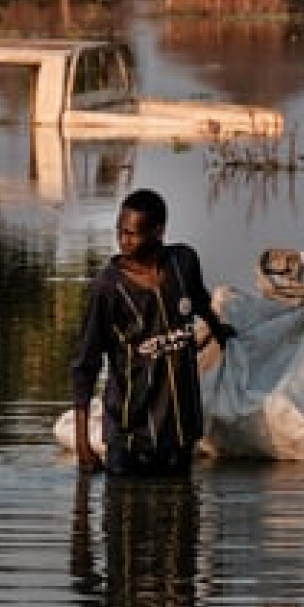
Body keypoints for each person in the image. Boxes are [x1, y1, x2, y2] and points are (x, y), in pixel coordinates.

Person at [68, 188, 236, 476]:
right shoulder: (107, 289)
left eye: (132, 234)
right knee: (127, 514)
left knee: (181, 514)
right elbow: (85, 365)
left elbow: (200, 300)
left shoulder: (182, 264)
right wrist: (83, 445)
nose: (124, 241)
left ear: (159, 232)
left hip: (181, 435)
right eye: (120, 232)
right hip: (130, 438)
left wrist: (221, 333)